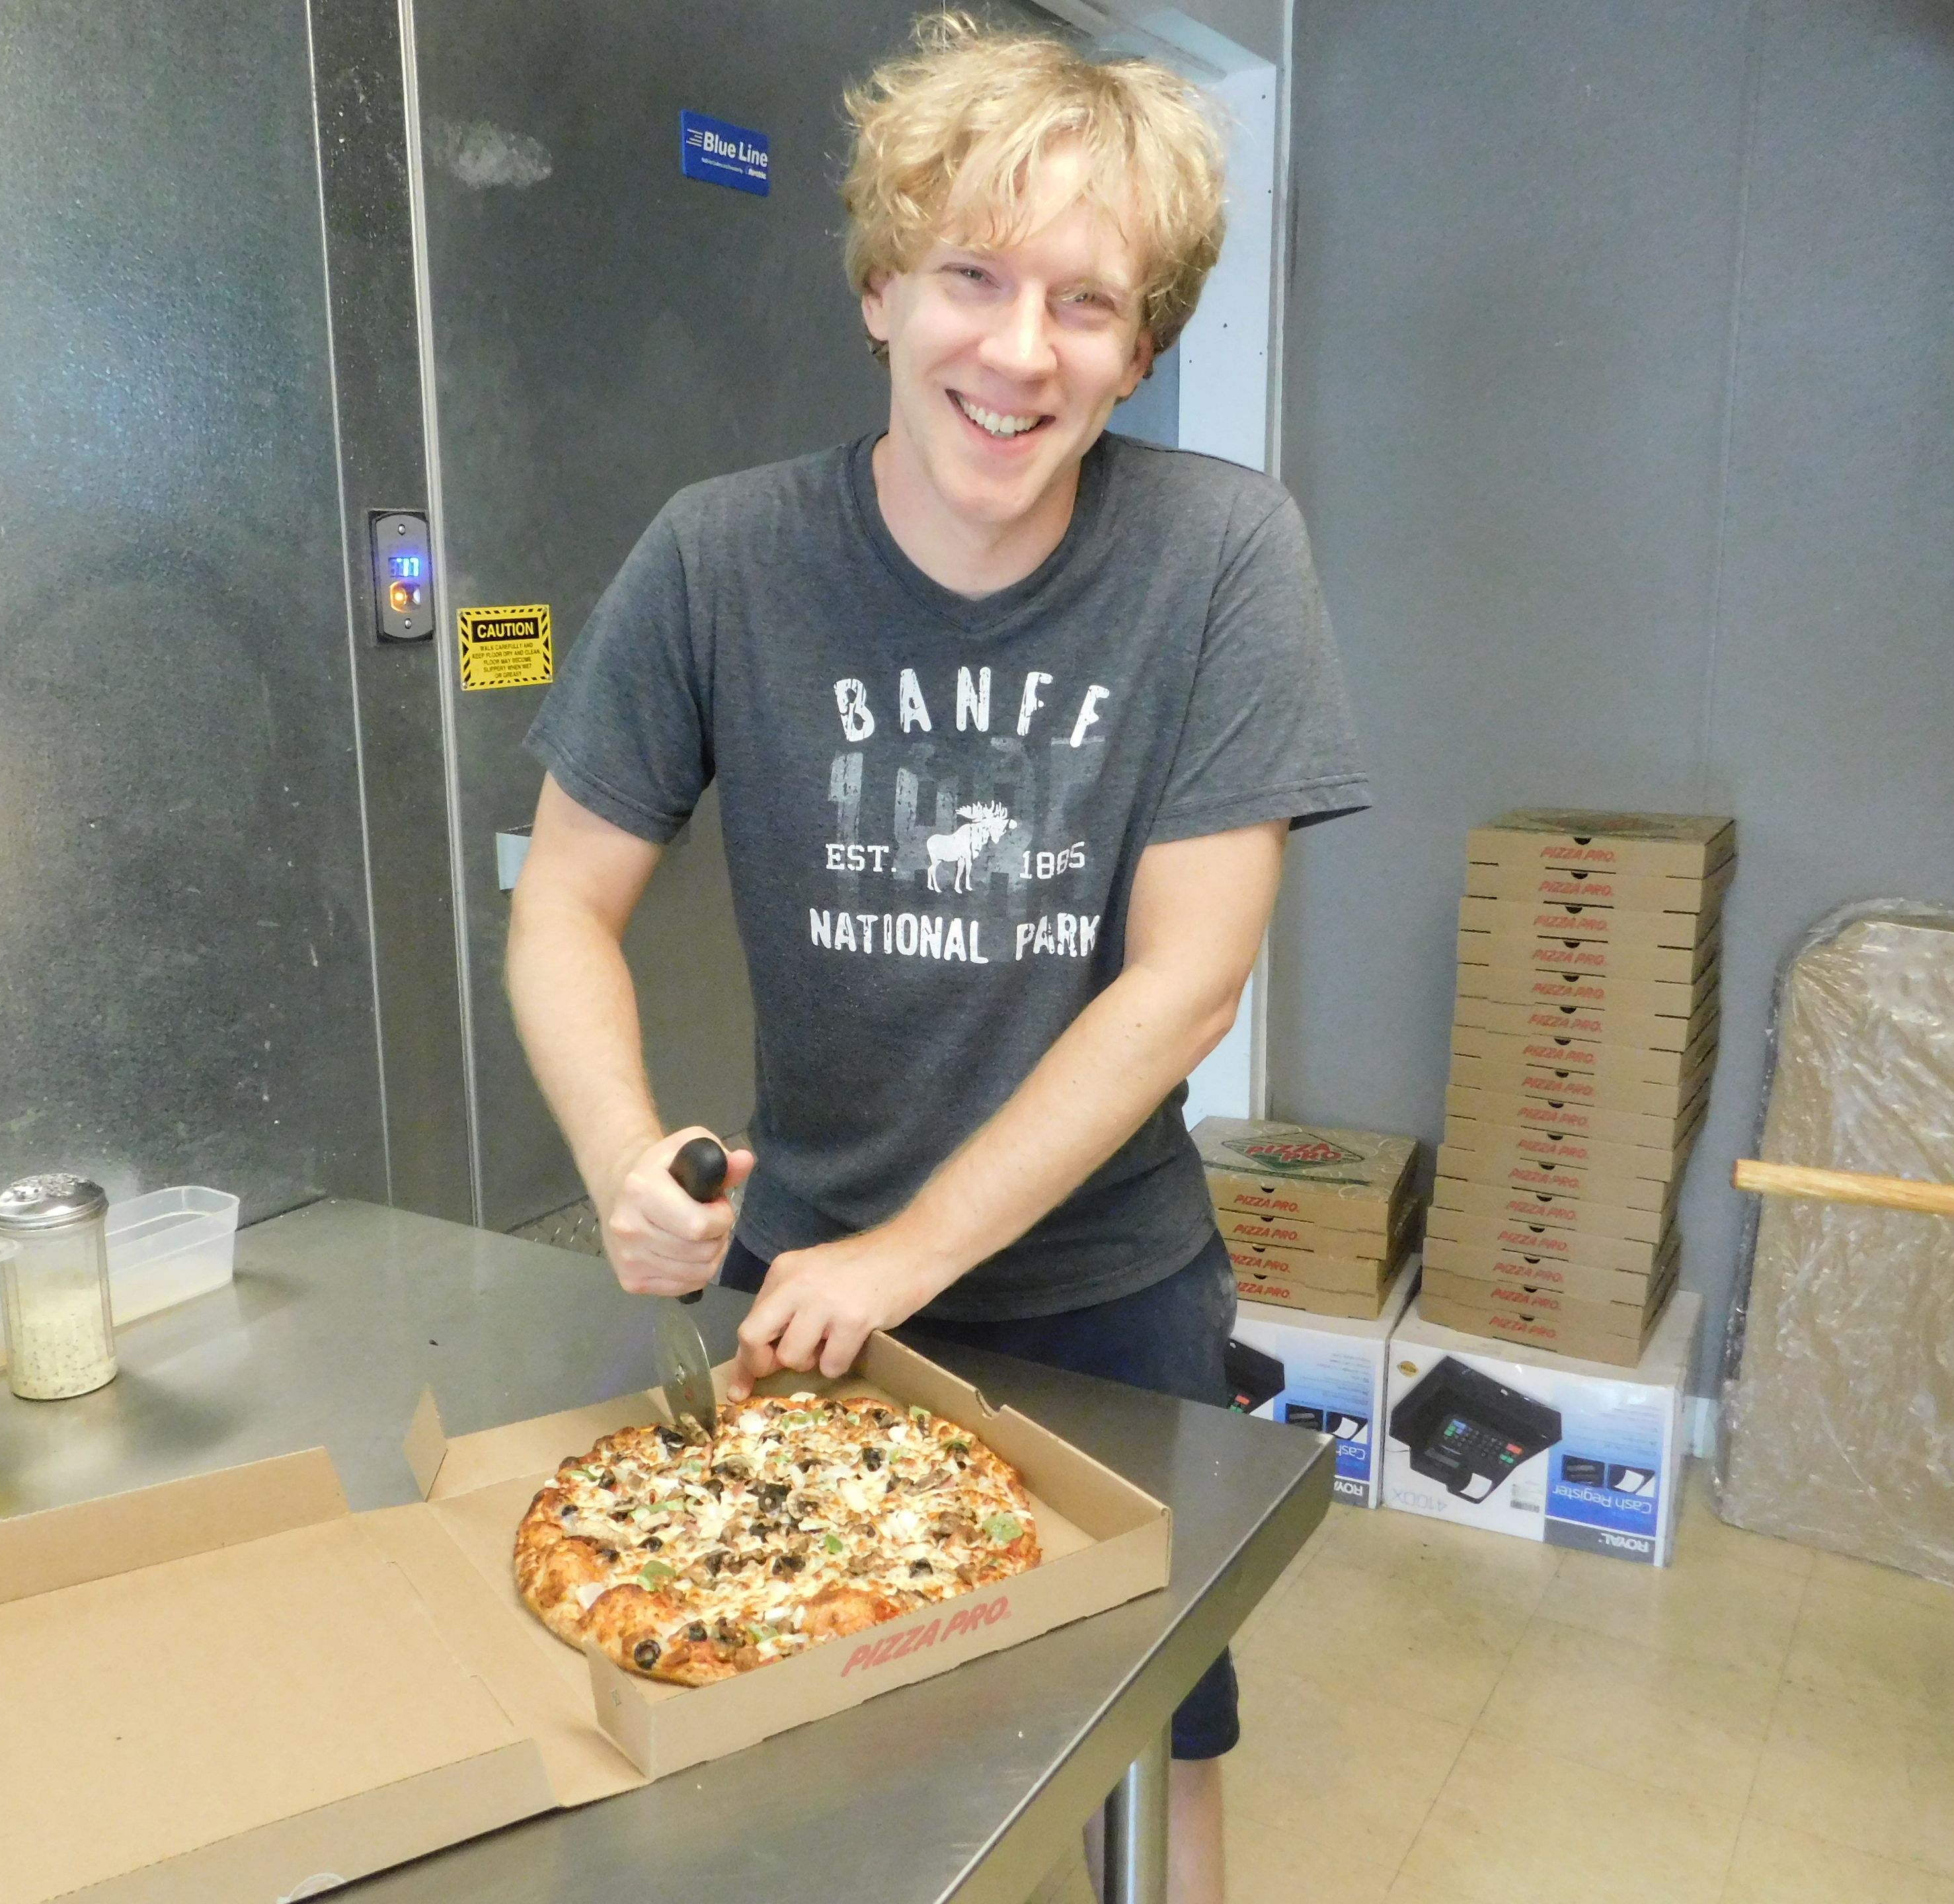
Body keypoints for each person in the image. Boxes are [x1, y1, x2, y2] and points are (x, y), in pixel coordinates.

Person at [505, 14, 1367, 1899]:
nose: (1020, 349)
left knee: (1150, 1747)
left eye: (1087, 302)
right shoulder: (719, 559)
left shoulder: (1221, 558)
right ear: (882, 290)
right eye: (974, 275)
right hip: (804, 1299)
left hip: (1107, 1307)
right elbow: (565, 897)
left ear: (1142, 348)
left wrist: (911, 1254)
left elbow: (1187, 980)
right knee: (813, 1760)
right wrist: (623, 1157)